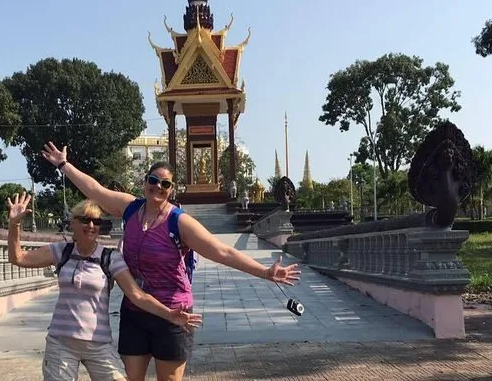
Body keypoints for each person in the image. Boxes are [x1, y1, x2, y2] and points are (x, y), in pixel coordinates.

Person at [41, 142, 301, 381]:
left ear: (171, 189)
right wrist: (64, 164)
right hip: (135, 312)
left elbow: (222, 252)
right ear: (145, 182)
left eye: (165, 184)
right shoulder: (130, 209)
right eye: (153, 180)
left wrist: (265, 272)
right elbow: (95, 190)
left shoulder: (179, 222)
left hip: (174, 314)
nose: (158, 187)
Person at [7, 194, 202, 381]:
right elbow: (18, 258)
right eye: (85, 220)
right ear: (73, 223)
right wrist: (14, 224)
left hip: (98, 342)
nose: (91, 226)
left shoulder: (110, 258)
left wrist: (169, 314)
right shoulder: (61, 251)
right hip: (61, 342)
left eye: (96, 221)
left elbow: (137, 295)